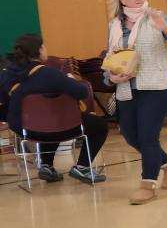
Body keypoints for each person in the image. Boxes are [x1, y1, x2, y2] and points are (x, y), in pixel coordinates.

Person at [106, 0, 167, 204]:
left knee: (147, 136)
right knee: (131, 136)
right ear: (122, 0)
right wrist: (111, 76)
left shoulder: (156, 17)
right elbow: (109, 57)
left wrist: (165, 28)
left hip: (156, 86)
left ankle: (147, 184)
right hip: (126, 90)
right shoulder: (114, 25)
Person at [0, 34, 107, 183]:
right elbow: (82, 92)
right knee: (98, 125)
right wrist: (69, 79)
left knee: (47, 121)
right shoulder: (50, 74)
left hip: (24, 129)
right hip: (57, 127)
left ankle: (46, 166)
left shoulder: (5, 74)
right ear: (39, 50)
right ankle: (82, 167)